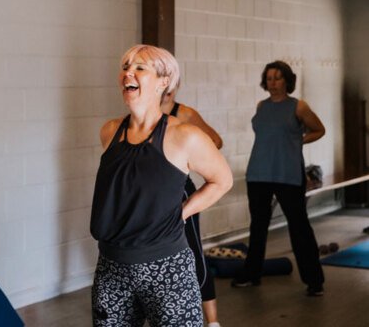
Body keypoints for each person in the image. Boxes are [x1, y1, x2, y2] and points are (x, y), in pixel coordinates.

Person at [90, 44, 233, 326]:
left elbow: (222, 180)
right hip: (111, 266)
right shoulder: (109, 131)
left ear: (163, 82)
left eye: (139, 68)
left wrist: (182, 212)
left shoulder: (185, 135)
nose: (128, 73)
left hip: (166, 268)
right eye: (125, 67)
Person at [231, 60, 326, 297]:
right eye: (270, 78)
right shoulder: (261, 106)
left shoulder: (298, 106)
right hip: (259, 172)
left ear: (287, 80)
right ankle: (252, 274)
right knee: (258, 226)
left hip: (288, 174)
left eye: (278, 77)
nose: (273, 82)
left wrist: (298, 141)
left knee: (299, 226)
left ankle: (314, 281)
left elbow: (319, 129)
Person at [161, 88, 223, 327]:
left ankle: (213, 321)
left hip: (181, 191)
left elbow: (216, 141)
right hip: (157, 194)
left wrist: (190, 158)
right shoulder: (147, 113)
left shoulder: (184, 113)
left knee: (194, 251)